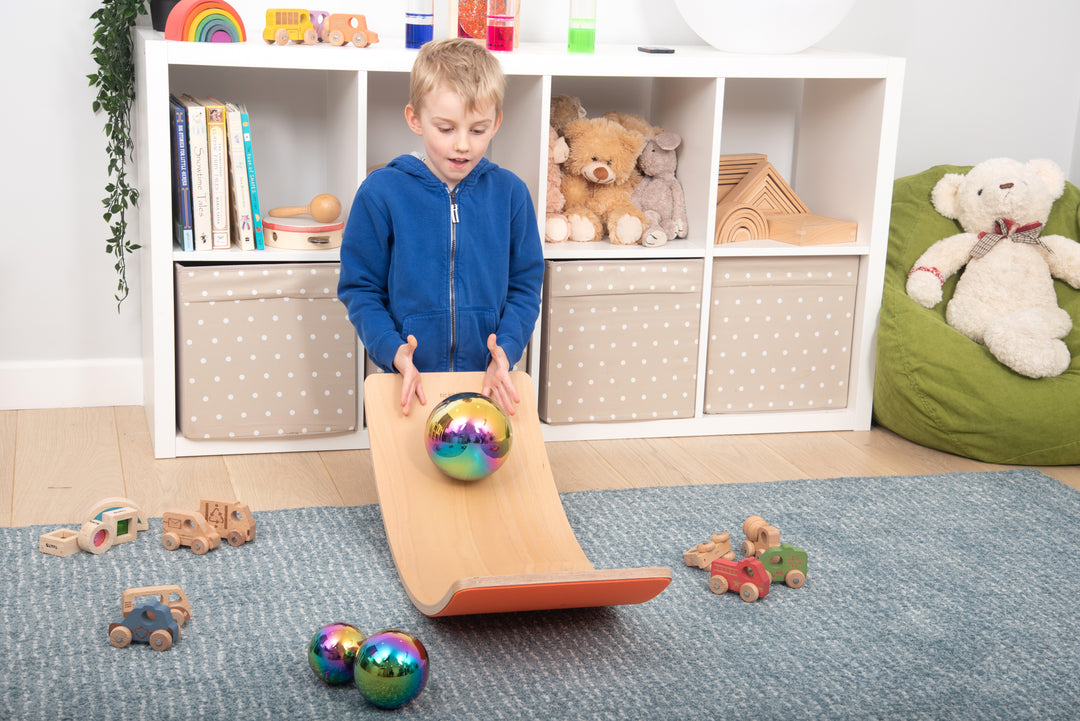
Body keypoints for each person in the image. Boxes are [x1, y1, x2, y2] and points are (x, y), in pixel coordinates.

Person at [337, 38, 545, 416]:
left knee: (482, 473)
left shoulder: (511, 194)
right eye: (446, 128)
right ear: (415, 119)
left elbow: (525, 284)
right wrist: (392, 349)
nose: (462, 145)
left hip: (487, 379)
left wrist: (508, 349)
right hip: (407, 379)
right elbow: (359, 286)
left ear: (497, 122)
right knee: (410, 472)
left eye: (478, 130)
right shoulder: (382, 192)